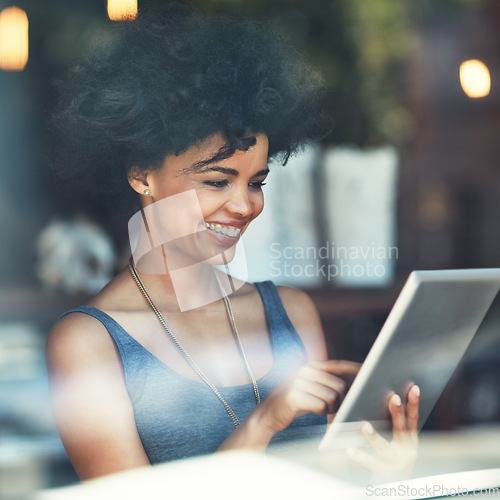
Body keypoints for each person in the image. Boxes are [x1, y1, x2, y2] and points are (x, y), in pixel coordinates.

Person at [46, 4, 420, 481]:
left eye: (256, 182)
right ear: (142, 174)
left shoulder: (290, 312)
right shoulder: (89, 343)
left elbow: (331, 481)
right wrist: (264, 422)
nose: (244, 206)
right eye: (218, 182)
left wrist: (387, 468)